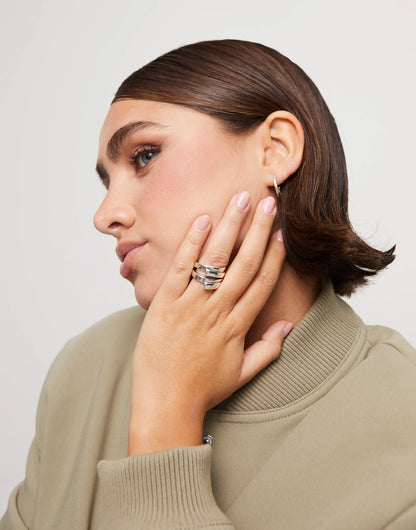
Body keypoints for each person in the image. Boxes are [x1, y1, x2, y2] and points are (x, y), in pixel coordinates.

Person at [1, 39, 416, 530]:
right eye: (106, 182)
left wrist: (165, 422)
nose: (105, 215)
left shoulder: (401, 421)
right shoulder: (85, 368)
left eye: (144, 156)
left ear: (275, 150)